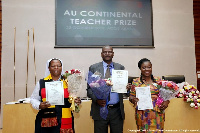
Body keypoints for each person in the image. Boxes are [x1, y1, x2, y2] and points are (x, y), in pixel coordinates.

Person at [30, 58, 81, 133]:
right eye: (53, 66)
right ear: (49, 68)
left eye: (58, 66)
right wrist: (39, 105)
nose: (56, 68)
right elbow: (33, 98)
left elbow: (73, 98)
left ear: (61, 67)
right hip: (46, 119)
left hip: (65, 118)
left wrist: (76, 102)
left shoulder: (68, 82)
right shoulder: (41, 83)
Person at [87, 45, 125, 133]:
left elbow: (122, 87)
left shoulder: (120, 67)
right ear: (101, 54)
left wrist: (126, 88)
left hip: (116, 111)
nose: (107, 54)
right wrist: (97, 100)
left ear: (113, 54)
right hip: (100, 109)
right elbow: (89, 89)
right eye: (105, 52)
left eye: (109, 52)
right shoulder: (94, 68)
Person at [128, 58, 170, 133]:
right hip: (142, 114)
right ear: (140, 69)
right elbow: (131, 96)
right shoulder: (136, 82)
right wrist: (133, 99)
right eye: (144, 67)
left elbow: (166, 95)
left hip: (157, 113)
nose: (147, 69)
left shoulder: (158, 80)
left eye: (149, 67)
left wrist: (167, 101)